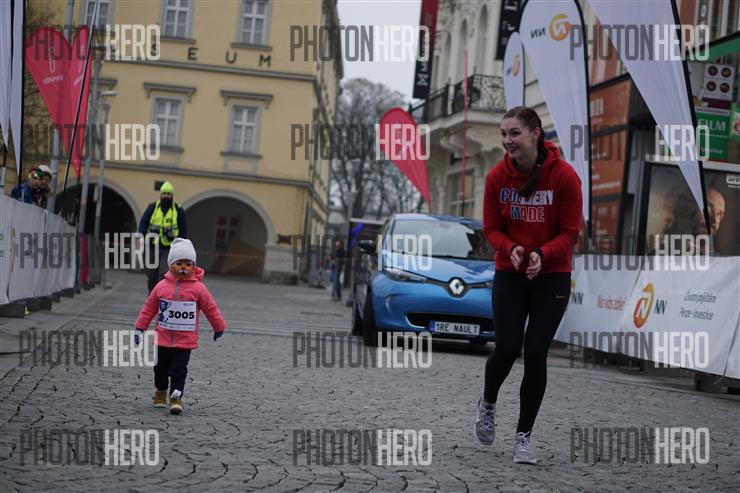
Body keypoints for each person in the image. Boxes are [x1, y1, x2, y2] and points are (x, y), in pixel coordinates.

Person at [475, 106, 582, 464]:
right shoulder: (496, 177)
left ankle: (524, 436)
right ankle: (488, 403)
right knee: (507, 347)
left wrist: (542, 254)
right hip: (511, 271)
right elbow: (491, 229)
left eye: (514, 133)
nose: (507, 140)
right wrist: (513, 248)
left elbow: (570, 232)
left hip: (552, 274)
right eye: (504, 134)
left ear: (536, 134)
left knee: (535, 352)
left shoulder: (565, 177)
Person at [134, 238, 227, 415]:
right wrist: (140, 328)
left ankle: (176, 398)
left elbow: (211, 308)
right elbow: (149, 307)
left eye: (188, 264)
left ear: (193, 266)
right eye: (179, 263)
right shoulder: (161, 286)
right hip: (163, 339)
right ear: (171, 265)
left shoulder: (199, 289)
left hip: (185, 341)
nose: (183, 267)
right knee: (160, 369)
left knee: (179, 370)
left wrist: (218, 326)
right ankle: (160, 392)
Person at [138, 181, 188, 292]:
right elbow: (143, 223)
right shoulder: (152, 207)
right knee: (151, 274)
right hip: (152, 246)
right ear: (160, 195)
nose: (166, 196)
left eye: (168, 194)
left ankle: (161, 295)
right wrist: (141, 236)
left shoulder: (178, 210)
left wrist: (181, 245)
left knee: (164, 273)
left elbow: (183, 229)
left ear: (172, 195)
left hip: (169, 248)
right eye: (164, 194)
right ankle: (152, 296)